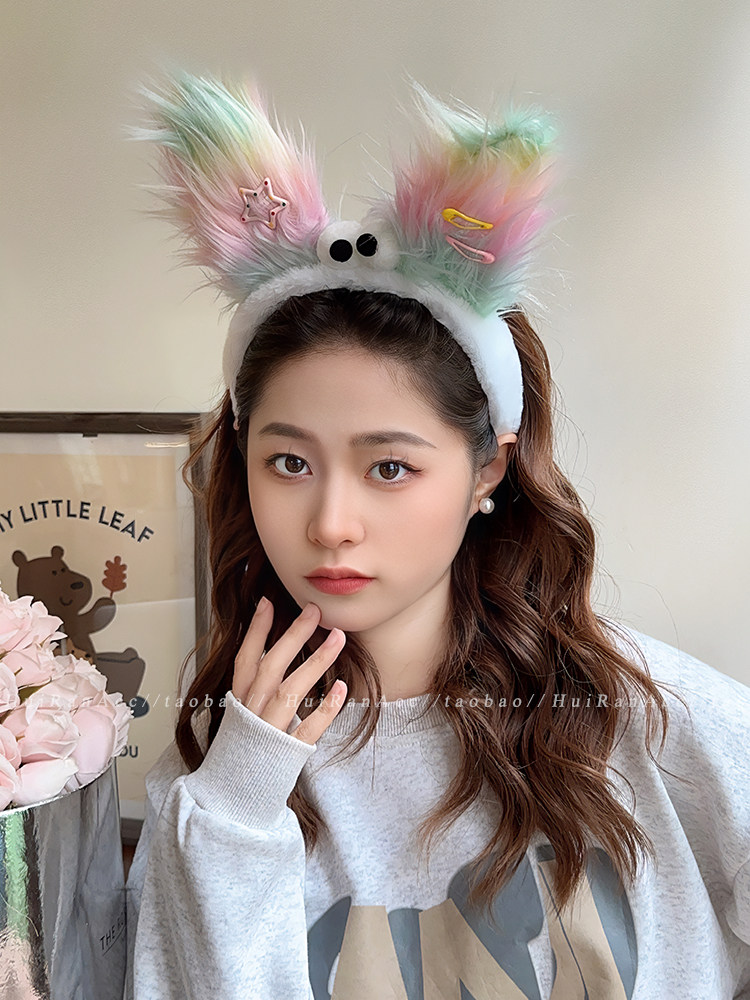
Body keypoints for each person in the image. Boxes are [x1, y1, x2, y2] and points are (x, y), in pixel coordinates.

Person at [124, 72, 750, 999]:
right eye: (288, 462)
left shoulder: (652, 720)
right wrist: (238, 802)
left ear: (488, 470)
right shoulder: (221, 768)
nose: (330, 524)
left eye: (389, 468)